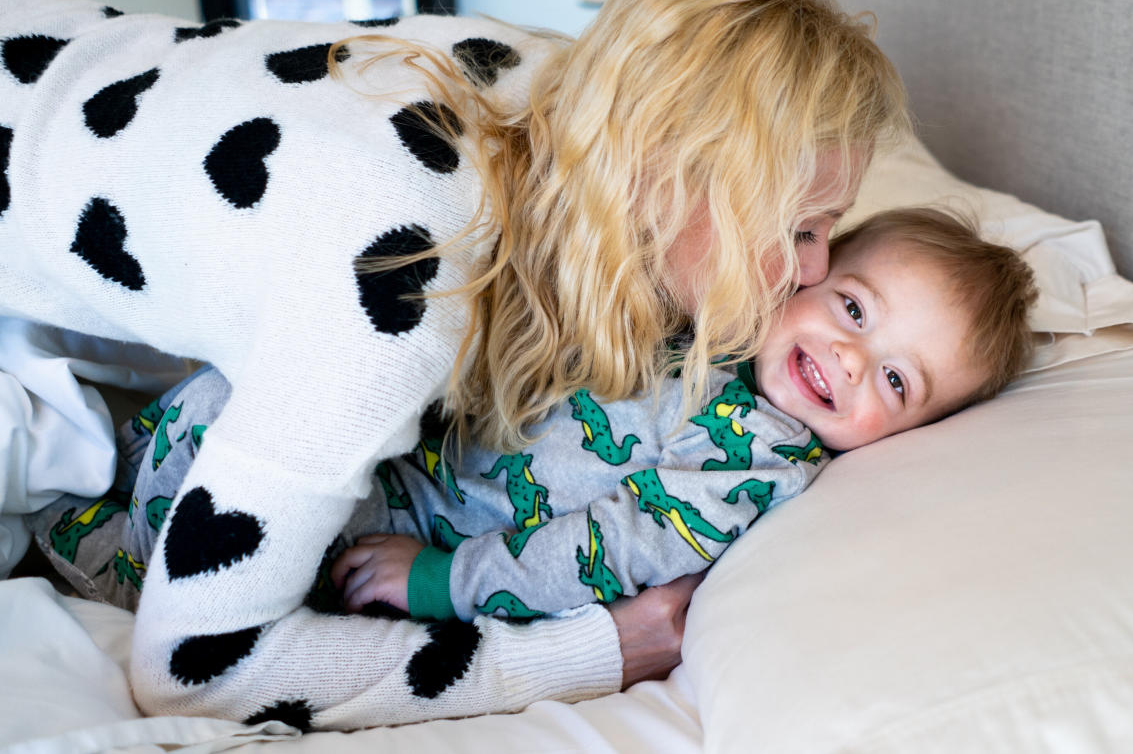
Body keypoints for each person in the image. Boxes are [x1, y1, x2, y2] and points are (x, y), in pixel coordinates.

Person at [0, 0, 907, 729]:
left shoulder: (566, 92)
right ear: (674, 177)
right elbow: (194, 667)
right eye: (798, 228)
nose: (815, 272)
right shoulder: (405, 264)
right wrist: (597, 652)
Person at [31, 207, 1037, 645]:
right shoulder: (723, 327)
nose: (852, 359)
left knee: (229, 467)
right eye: (854, 309)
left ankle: (114, 557)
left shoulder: (757, 467)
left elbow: (604, 555)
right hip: (421, 430)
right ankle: (87, 470)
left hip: (416, 520)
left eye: (897, 383)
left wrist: (440, 580)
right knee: (226, 389)